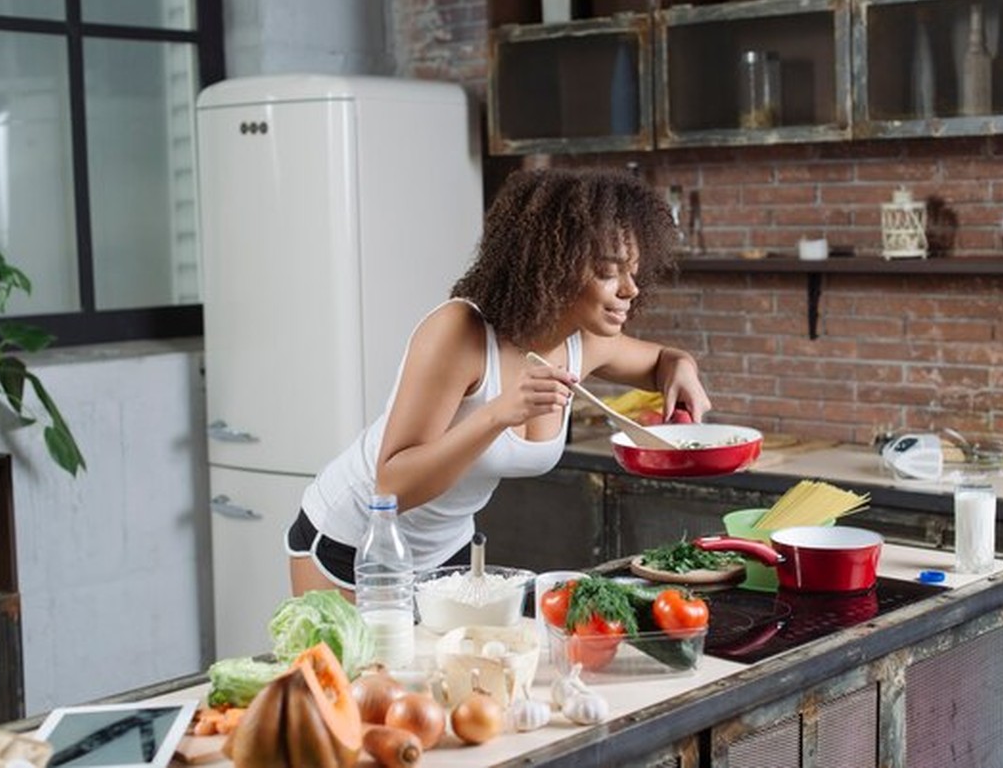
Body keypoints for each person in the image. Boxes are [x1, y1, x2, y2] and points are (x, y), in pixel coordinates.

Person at [286, 167, 712, 598]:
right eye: (608, 271)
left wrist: (682, 366)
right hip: (355, 542)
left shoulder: (584, 343)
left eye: (634, 271)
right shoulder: (461, 333)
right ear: (553, 264)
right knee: (359, 668)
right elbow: (391, 487)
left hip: (444, 550)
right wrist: (497, 414)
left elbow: (663, 361)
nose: (630, 290)